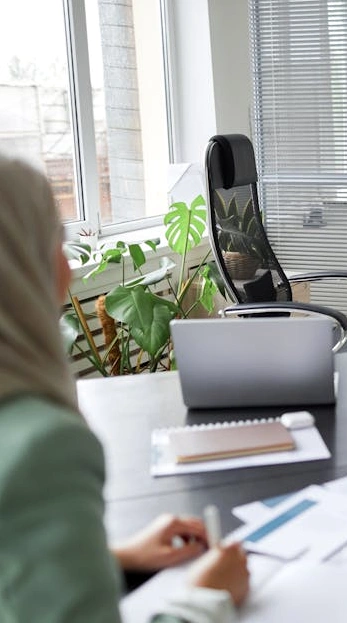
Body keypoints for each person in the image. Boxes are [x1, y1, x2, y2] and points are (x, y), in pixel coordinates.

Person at [0, 155, 250, 622]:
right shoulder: (40, 447)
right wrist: (208, 596)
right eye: (59, 241)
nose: (68, 263)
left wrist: (100, 560)